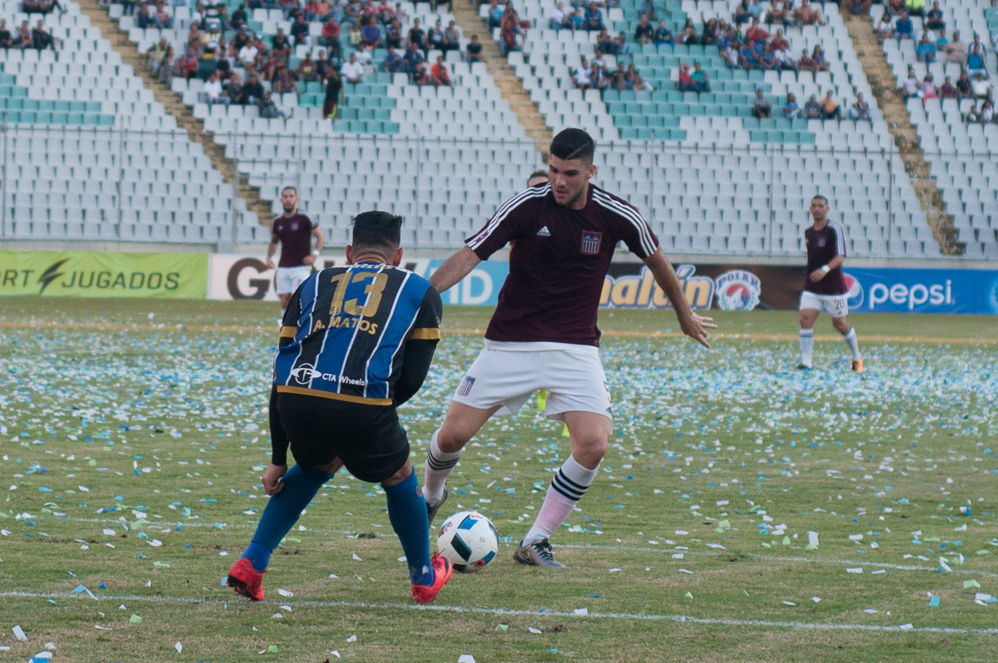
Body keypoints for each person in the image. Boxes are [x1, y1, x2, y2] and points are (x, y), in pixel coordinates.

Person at [419, 129, 716, 568]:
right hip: (509, 343)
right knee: (452, 436)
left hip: (575, 348)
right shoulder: (526, 205)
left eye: (569, 173)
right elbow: (471, 253)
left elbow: (657, 261)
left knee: (593, 444)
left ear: (590, 172)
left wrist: (684, 314)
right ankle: (430, 495)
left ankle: (535, 540)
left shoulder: (617, 214)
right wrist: (420, 298)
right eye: (553, 170)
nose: (558, 181)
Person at [226, 211, 453, 606]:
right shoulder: (419, 291)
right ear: (398, 255)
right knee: (399, 474)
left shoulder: (314, 282)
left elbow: (283, 370)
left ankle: (252, 561)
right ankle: (422, 578)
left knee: (319, 464)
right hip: (362, 403)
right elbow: (413, 377)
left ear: (349, 252)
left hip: (297, 400)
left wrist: (278, 457)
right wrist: (366, 412)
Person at [798, 195, 862, 373]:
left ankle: (857, 356)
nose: (817, 209)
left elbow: (841, 256)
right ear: (810, 209)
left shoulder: (834, 229)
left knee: (840, 324)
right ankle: (806, 363)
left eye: (821, 206)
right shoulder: (809, 232)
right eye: (814, 206)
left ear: (827, 209)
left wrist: (825, 270)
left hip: (833, 287)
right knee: (805, 319)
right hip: (812, 286)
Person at [265, 187, 324, 317]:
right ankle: (284, 327)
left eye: (291, 196)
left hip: (301, 266)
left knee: (295, 298)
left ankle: (298, 326)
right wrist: (269, 258)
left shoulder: (305, 218)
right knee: (284, 300)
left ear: (296, 199)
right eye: (285, 197)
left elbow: (320, 236)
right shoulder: (277, 221)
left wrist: (315, 254)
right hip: (284, 265)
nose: (288, 199)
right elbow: (274, 241)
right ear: (281, 200)